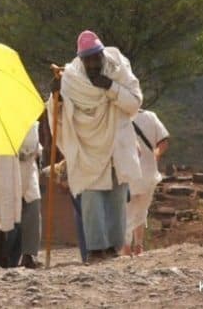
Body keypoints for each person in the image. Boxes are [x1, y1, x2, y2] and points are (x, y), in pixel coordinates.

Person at [49, 30, 142, 262]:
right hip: (86, 147)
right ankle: (96, 249)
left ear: (101, 55)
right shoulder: (71, 79)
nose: (92, 63)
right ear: (81, 59)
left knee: (117, 197)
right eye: (87, 59)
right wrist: (55, 97)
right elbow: (58, 115)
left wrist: (110, 87)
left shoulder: (118, 69)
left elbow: (134, 104)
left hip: (116, 144)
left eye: (95, 58)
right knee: (91, 198)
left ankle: (114, 248)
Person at [122, 109, 169, 256]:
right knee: (141, 211)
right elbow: (164, 141)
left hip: (127, 173)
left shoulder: (118, 118)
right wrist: (155, 155)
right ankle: (139, 246)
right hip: (149, 174)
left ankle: (126, 247)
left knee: (127, 211)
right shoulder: (151, 116)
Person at [16, 121, 43, 268]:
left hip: (29, 167)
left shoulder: (30, 120)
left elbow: (35, 144)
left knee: (33, 208)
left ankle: (29, 254)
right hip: (8, 167)